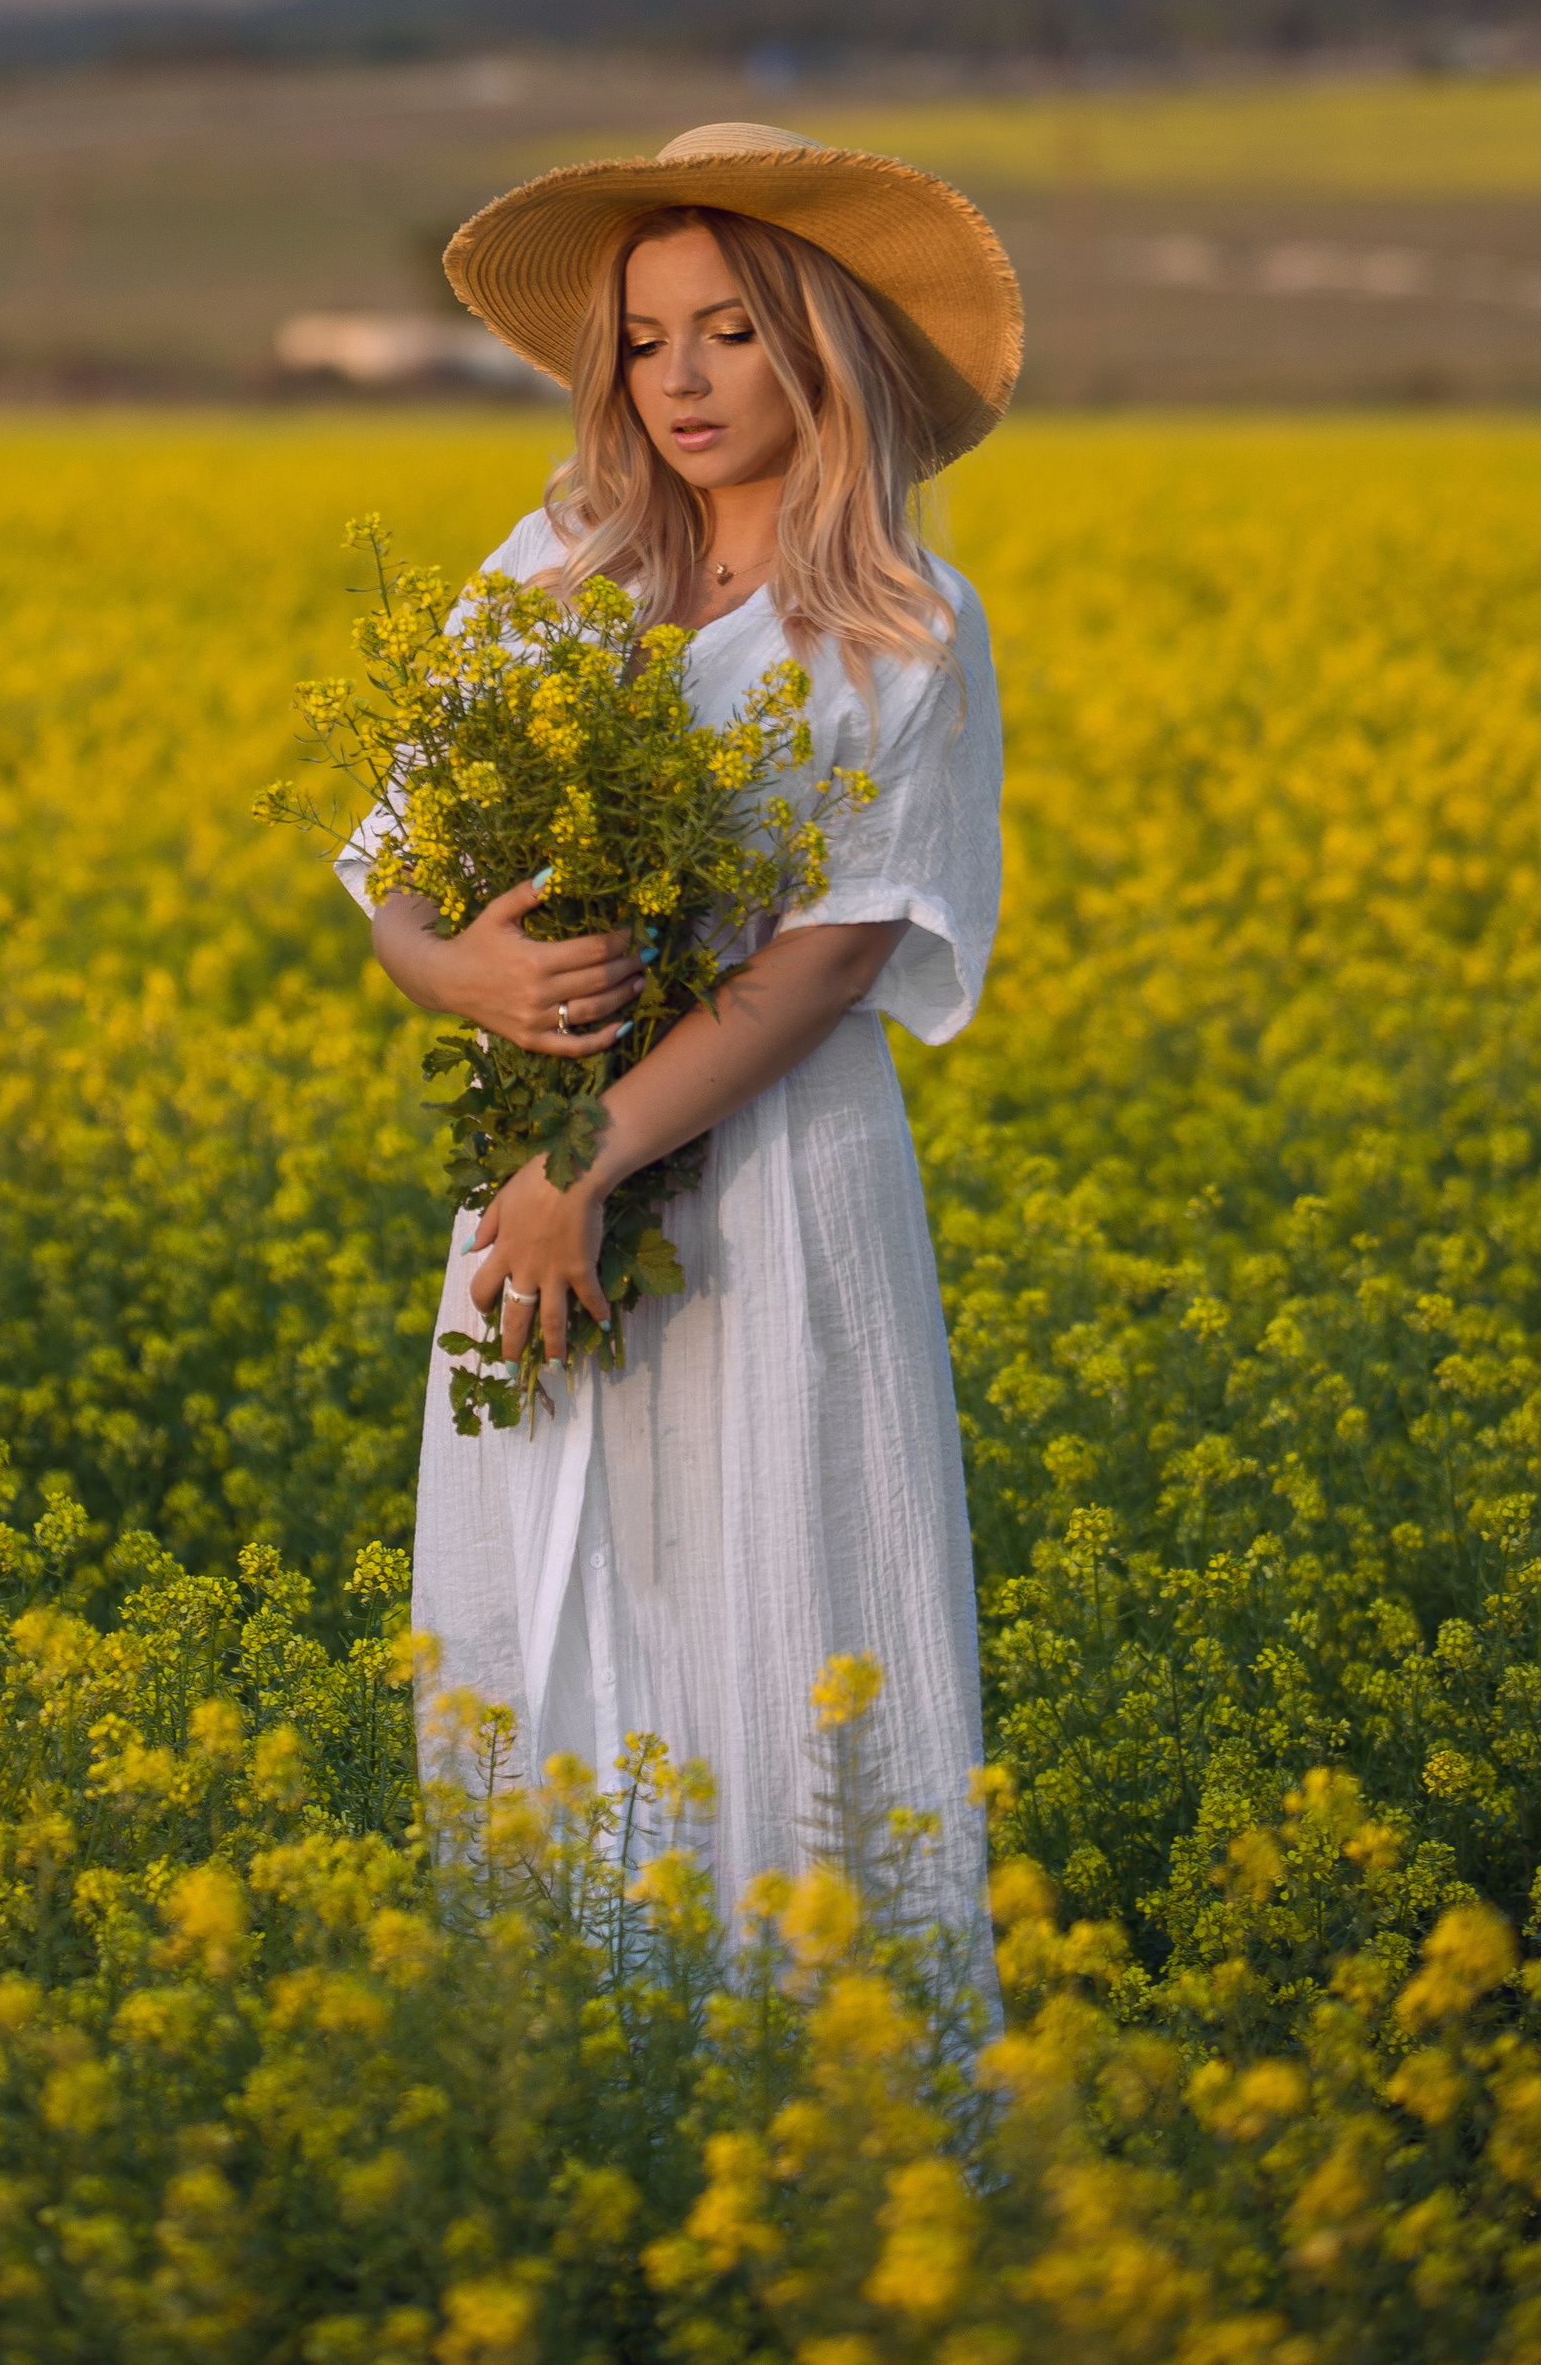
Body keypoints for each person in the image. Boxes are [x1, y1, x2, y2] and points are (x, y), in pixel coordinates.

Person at [335, 121, 1021, 1982]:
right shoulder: (555, 562)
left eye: (730, 332)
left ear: (819, 344)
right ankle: (568, 2043)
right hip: (539, 1170)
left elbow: (829, 960)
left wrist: (588, 1161)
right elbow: (398, 867)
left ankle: (821, 2055)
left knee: (781, 1583)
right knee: (550, 1582)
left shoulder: (899, 617)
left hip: (766, 1178)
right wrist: (460, 976)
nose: (683, 380)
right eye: (646, 341)